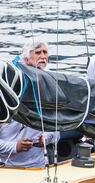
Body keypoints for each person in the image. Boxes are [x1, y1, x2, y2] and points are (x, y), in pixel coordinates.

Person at [0, 40, 60, 168]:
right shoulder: (9, 89)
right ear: (26, 60)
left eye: (45, 52)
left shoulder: (50, 89)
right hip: (6, 166)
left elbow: (57, 131)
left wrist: (46, 138)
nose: (43, 56)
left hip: (38, 165)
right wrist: (15, 146)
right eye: (38, 52)